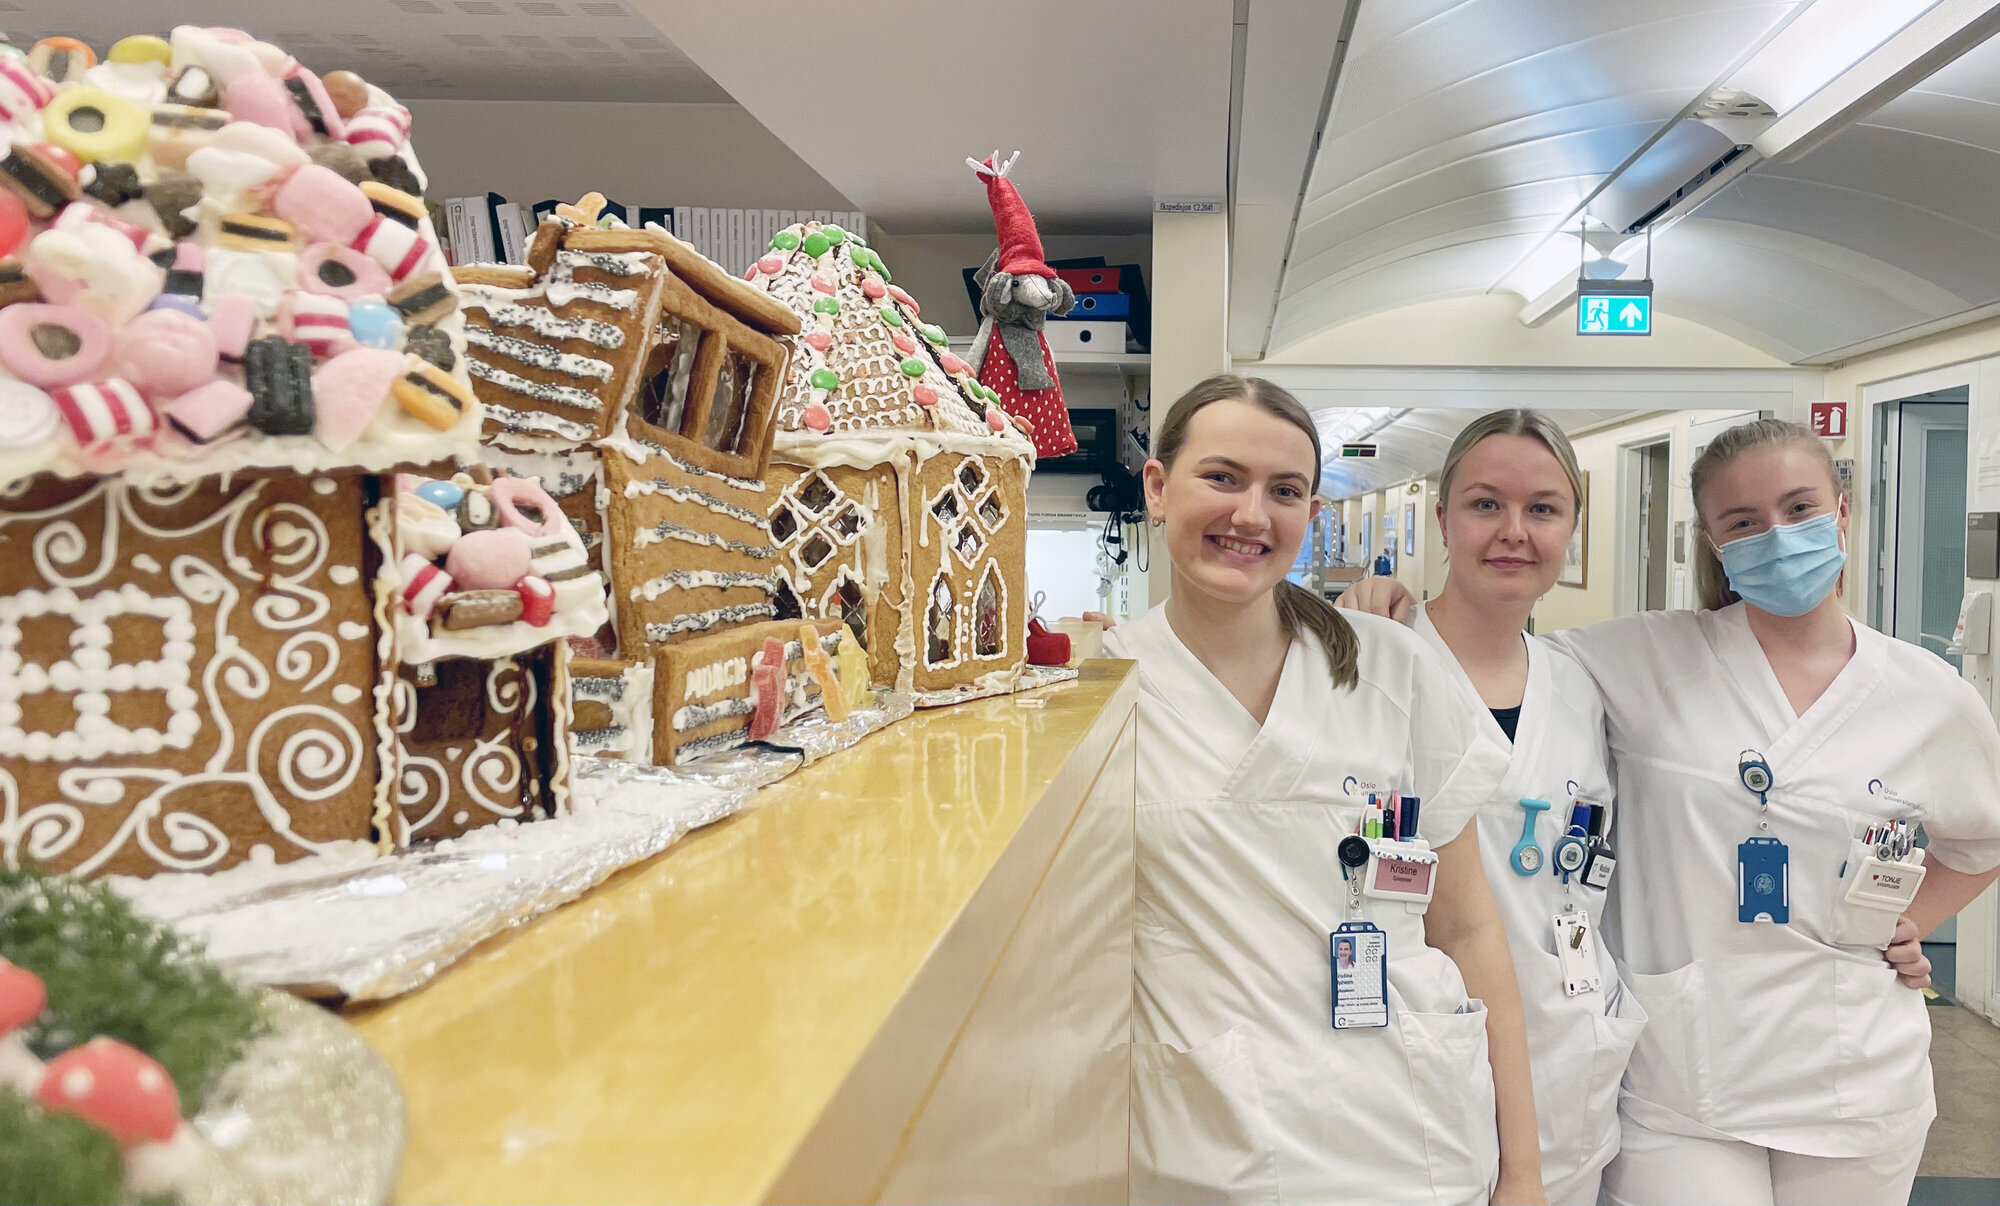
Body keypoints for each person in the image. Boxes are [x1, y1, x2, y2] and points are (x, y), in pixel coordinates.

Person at [1338, 418, 2000, 1206]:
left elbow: (1981, 838)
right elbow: (1477, 645)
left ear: (1844, 512)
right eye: (1745, 522)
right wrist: (1377, 605)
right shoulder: (1637, 657)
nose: (1778, 538)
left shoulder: (1928, 694)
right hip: (1688, 1078)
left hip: (1853, 1067)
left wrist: (1907, 922)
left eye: (1800, 509)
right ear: (1715, 543)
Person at [1106, 373, 1544, 1204]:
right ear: (1159, 489)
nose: (1250, 515)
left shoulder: (1392, 667)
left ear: (1310, 514)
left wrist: (1523, 1174)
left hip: (1412, 1130)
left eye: (1285, 491)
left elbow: (1469, 925)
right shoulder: (1104, 693)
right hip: (1210, 1140)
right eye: (1222, 477)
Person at [1339, 411, 1643, 1205]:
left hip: (1567, 1060)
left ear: (1574, 525)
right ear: (1442, 519)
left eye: (1543, 508)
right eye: (1484, 505)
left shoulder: (1584, 682)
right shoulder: (1369, 656)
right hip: (1413, 1061)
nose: (1514, 532)